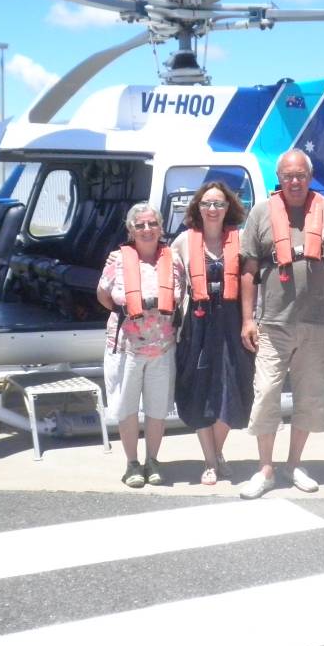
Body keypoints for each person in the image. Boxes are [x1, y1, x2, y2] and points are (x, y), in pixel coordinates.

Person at [239, 149, 324, 499]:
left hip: (318, 323)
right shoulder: (261, 213)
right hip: (273, 325)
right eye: (288, 176)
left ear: (310, 177)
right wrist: (247, 319)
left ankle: (293, 464)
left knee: (310, 396)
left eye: (301, 175)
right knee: (265, 395)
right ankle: (265, 469)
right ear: (279, 178)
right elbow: (248, 270)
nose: (294, 181)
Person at [170, 181, 254, 485]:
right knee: (199, 389)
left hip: (231, 322)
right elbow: (168, 277)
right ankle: (210, 461)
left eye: (219, 203)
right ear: (198, 207)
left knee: (233, 388)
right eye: (207, 203)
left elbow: (255, 279)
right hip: (197, 324)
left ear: (228, 207)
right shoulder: (183, 241)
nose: (213, 209)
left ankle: (216, 453)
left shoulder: (241, 241)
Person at [97, 202, 185, 488]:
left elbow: (182, 295)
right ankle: (132, 464)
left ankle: (153, 461)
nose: (147, 229)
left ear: (160, 227)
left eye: (152, 223)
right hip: (127, 348)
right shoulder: (117, 260)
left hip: (163, 347)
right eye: (140, 225)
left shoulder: (174, 260)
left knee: (157, 409)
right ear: (130, 230)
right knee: (127, 408)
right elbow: (103, 295)